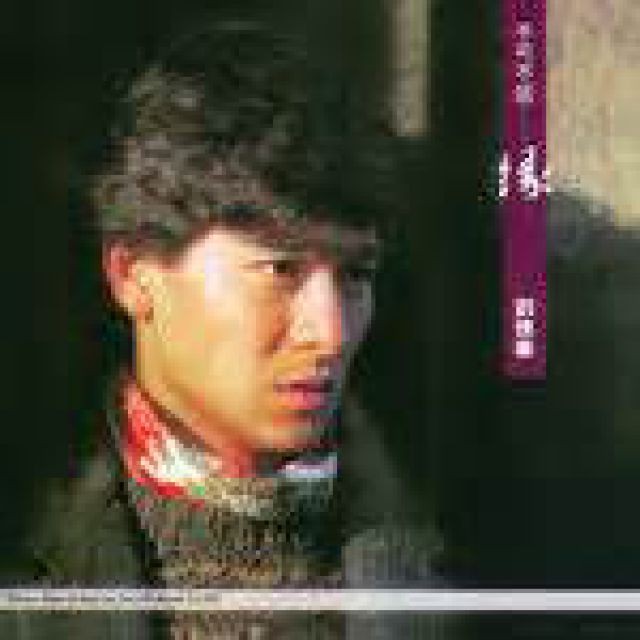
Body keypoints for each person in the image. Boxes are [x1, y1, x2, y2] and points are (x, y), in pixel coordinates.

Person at [17, 21, 446, 639]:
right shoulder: (30, 557)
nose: (331, 332)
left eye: (356, 274)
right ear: (133, 275)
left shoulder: (454, 555)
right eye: (279, 269)